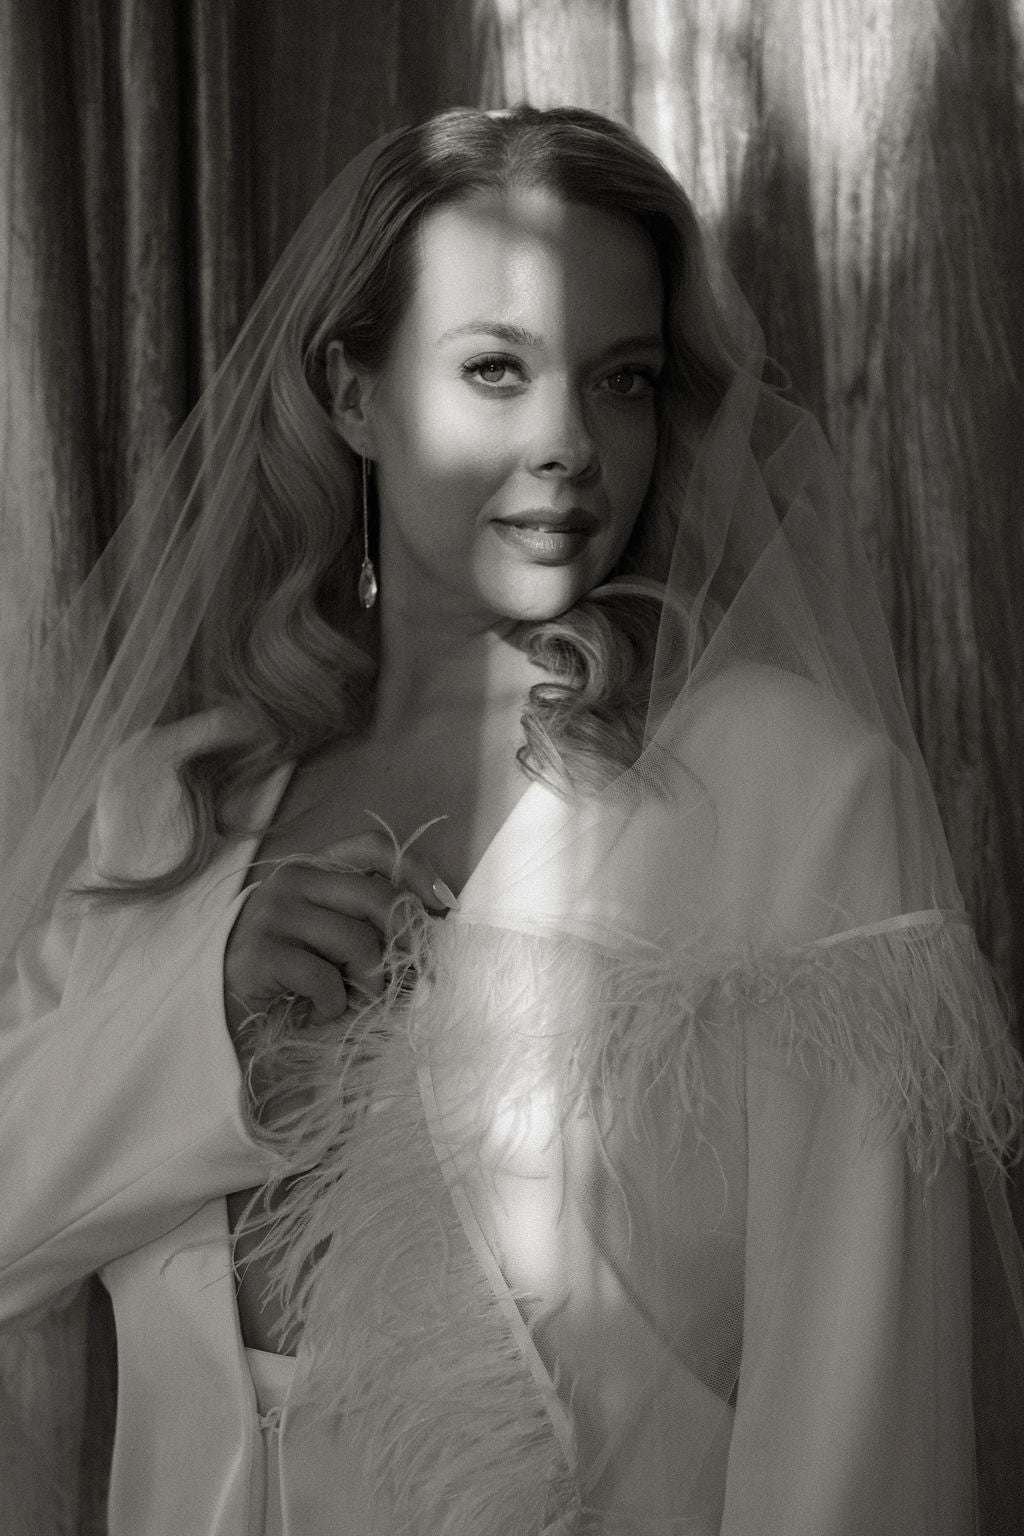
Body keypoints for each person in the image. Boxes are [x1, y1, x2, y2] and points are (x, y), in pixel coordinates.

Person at [0, 104, 1021, 1536]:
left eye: (622, 380)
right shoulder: (173, 805)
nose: (569, 444)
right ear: (353, 395)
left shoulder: (792, 786)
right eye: (495, 368)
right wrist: (209, 1011)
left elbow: (862, 1411)